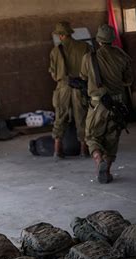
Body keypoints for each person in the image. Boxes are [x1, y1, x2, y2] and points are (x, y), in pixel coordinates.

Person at [80, 24, 133, 183]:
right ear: (113, 40)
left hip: (97, 105)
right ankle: (107, 172)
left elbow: (83, 77)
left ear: (99, 40)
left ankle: (99, 160)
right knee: (112, 139)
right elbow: (128, 80)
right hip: (117, 105)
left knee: (91, 136)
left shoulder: (89, 57)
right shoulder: (123, 56)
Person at [49, 21, 91, 160]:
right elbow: (91, 70)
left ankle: (57, 151)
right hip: (80, 87)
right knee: (82, 117)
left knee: (60, 117)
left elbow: (54, 75)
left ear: (61, 36)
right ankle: (84, 151)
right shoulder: (85, 47)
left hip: (63, 87)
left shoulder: (55, 51)